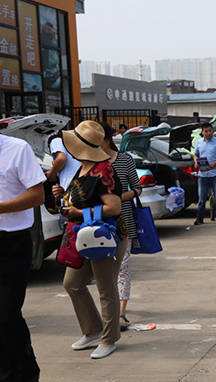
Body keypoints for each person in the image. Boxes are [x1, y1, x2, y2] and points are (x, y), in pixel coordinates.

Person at [53, 120, 128, 360]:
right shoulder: (82, 167)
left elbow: (114, 207)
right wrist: (62, 197)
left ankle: (109, 338)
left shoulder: (103, 169)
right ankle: (93, 330)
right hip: (83, 236)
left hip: (104, 235)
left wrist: (78, 213)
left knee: (106, 289)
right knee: (72, 283)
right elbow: (80, 197)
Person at [0, 133, 45, 381]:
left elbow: (37, 196)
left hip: (11, 244)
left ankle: (26, 372)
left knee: (5, 315)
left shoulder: (17, 148)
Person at [97, 122, 142, 332]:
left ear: (106, 139)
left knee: (122, 268)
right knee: (104, 272)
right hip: (98, 224)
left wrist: (118, 198)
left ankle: (121, 314)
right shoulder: (90, 163)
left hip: (124, 221)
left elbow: (138, 188)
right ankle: (109, 312)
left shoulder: (125, 160)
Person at [193, 122, 216, 226]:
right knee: (202, 198)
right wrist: (195, 162)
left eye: (210, 131)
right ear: (202, 132)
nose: (208, 133)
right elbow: (195, 155)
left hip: (215, 174)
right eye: (206, 131)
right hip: (203, 175)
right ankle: (200, 217)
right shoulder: (199, 142)